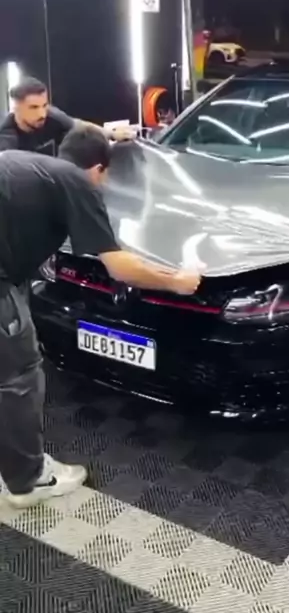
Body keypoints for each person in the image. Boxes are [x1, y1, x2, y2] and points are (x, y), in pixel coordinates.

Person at [0, 127, 200, 508]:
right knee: (19, 376)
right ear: (98, 169)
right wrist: (177, 282)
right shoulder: (78, 183)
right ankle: (28, 482)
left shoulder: (25, 163)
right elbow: (119, 268)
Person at [0, 76, 134, 155]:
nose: (42, 114)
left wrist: (111, 134)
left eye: (44, 105)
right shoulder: (5, 136)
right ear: (16, 108)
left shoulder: (51, 116)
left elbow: (80, 126)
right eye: (33, 107)